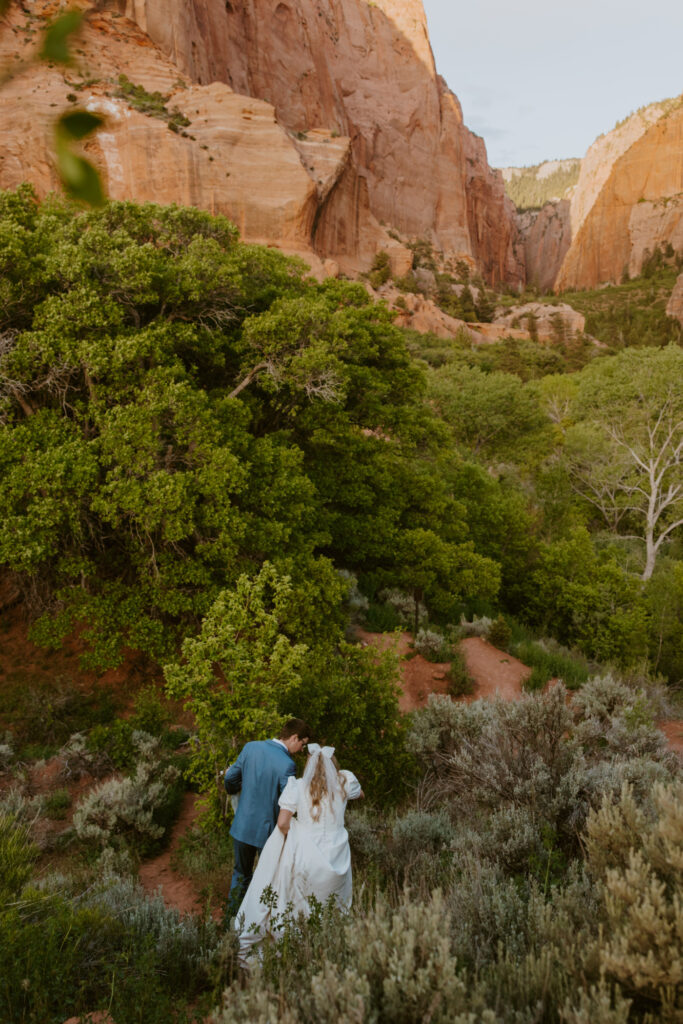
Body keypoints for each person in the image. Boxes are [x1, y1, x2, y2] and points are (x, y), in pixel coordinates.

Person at [235, 743, 364, 961]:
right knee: (332, 906)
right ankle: (328, 951)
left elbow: (283, 822)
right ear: (333, 766)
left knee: (299, 902)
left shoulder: (297, 787)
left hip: (306, 855)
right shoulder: (344, 781)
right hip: (337, 859)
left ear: (310, 765)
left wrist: (297, 836)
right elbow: (360, 794)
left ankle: (297, 949)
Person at [223, 718, 310, 916]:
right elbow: (287, 801)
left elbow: (230, 778)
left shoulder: (250, 747)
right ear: (294, 738)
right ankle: (258, 922)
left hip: (242, 826)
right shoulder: (287, 765)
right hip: (268, 833)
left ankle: (232, 920)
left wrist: (235, 792)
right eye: (302, 745)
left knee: (240, 874)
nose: (301, 750)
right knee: (268, 879)